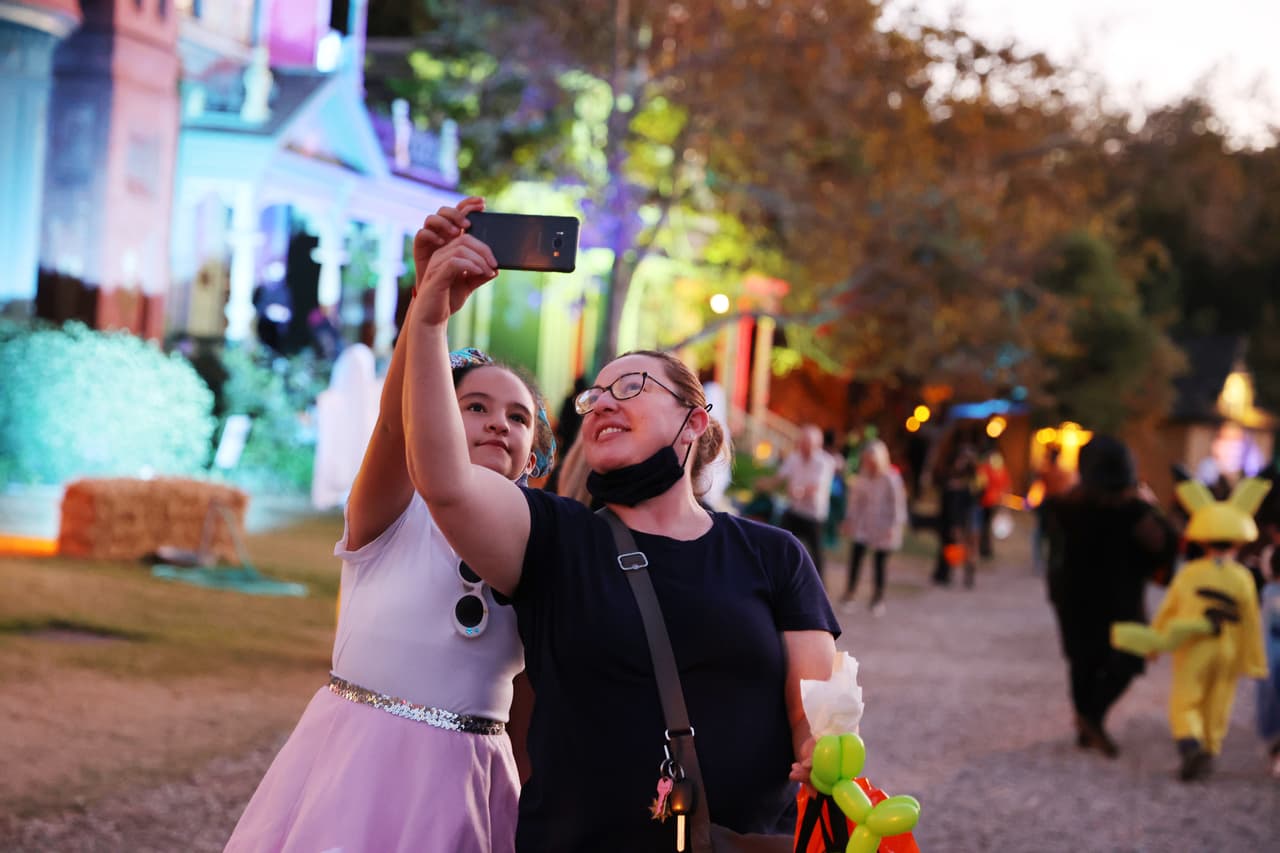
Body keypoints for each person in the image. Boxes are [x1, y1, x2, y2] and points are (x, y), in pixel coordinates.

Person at [401, 204, 840, 851]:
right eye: (594, 397)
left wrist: (820, 751)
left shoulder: (773, 555)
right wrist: (429, 317)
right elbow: (443, 481)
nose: (603, 402)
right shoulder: (554, 537)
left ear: (693, 422)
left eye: (630, 386)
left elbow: (815, 710)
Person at [226, 199, 555, 853]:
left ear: (532, 456)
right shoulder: (394, 514)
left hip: (473, 782)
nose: (499, 422)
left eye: (519, 417)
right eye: (476, 406)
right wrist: (427, 308)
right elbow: (391, 425)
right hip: (359, 768)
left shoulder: (543, 542)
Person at [1043, 435, 1178, 758]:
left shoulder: (1064, 508)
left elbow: (1054, 548)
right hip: (1120, 600)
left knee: (1082, 661)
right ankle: (1092, 717)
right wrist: (1153, 506)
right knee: (1128, 657)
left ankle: (1086, 721)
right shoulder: (1136, 512)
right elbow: (1165, 546)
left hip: (1073, 597)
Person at [1147, 476, 1269, 781]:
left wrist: (1154, 641)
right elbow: (1251, 620)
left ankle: (1191, 744)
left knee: (1186, 697)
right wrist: (1254, 660)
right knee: (1219, 700)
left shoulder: (1190, 573)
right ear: (1239, 540)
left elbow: (1168, 610)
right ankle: (1211, 748)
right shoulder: (1243, 577)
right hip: (1228, 649)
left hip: (1194, 645)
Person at [757, 423, 837, 572]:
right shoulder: (795, 457)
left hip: (813, 514)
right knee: (781, 541)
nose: (803, 447)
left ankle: (819, 581)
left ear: (817, 444)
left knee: (816, 552)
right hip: (795, 509)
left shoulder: (825, 462)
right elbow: (780, 477)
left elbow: (817, 486)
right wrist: (765, 483)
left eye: (807, 444)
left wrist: (799, 492)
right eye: (802, 442)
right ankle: (776, 573)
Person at [842, 439, 908, 615]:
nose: (869, 465)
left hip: (884, 524)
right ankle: (850, 594)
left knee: (879, 563)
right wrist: (850, 519)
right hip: (864, 523)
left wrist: (893, 526)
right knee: (856, 557)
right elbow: (856, 501)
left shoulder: (891, 478)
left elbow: (898, 505)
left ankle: (877, 598)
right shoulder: (863, 476)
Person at [975, 448, 1011, 559]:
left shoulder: (984, 468)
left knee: (984, 525)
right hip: (992, 500)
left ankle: (984, 549)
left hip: (986, 501)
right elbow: (1006, 485)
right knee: (986, 525)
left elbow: (980, 484)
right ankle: (985, 549)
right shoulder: (998, 468)